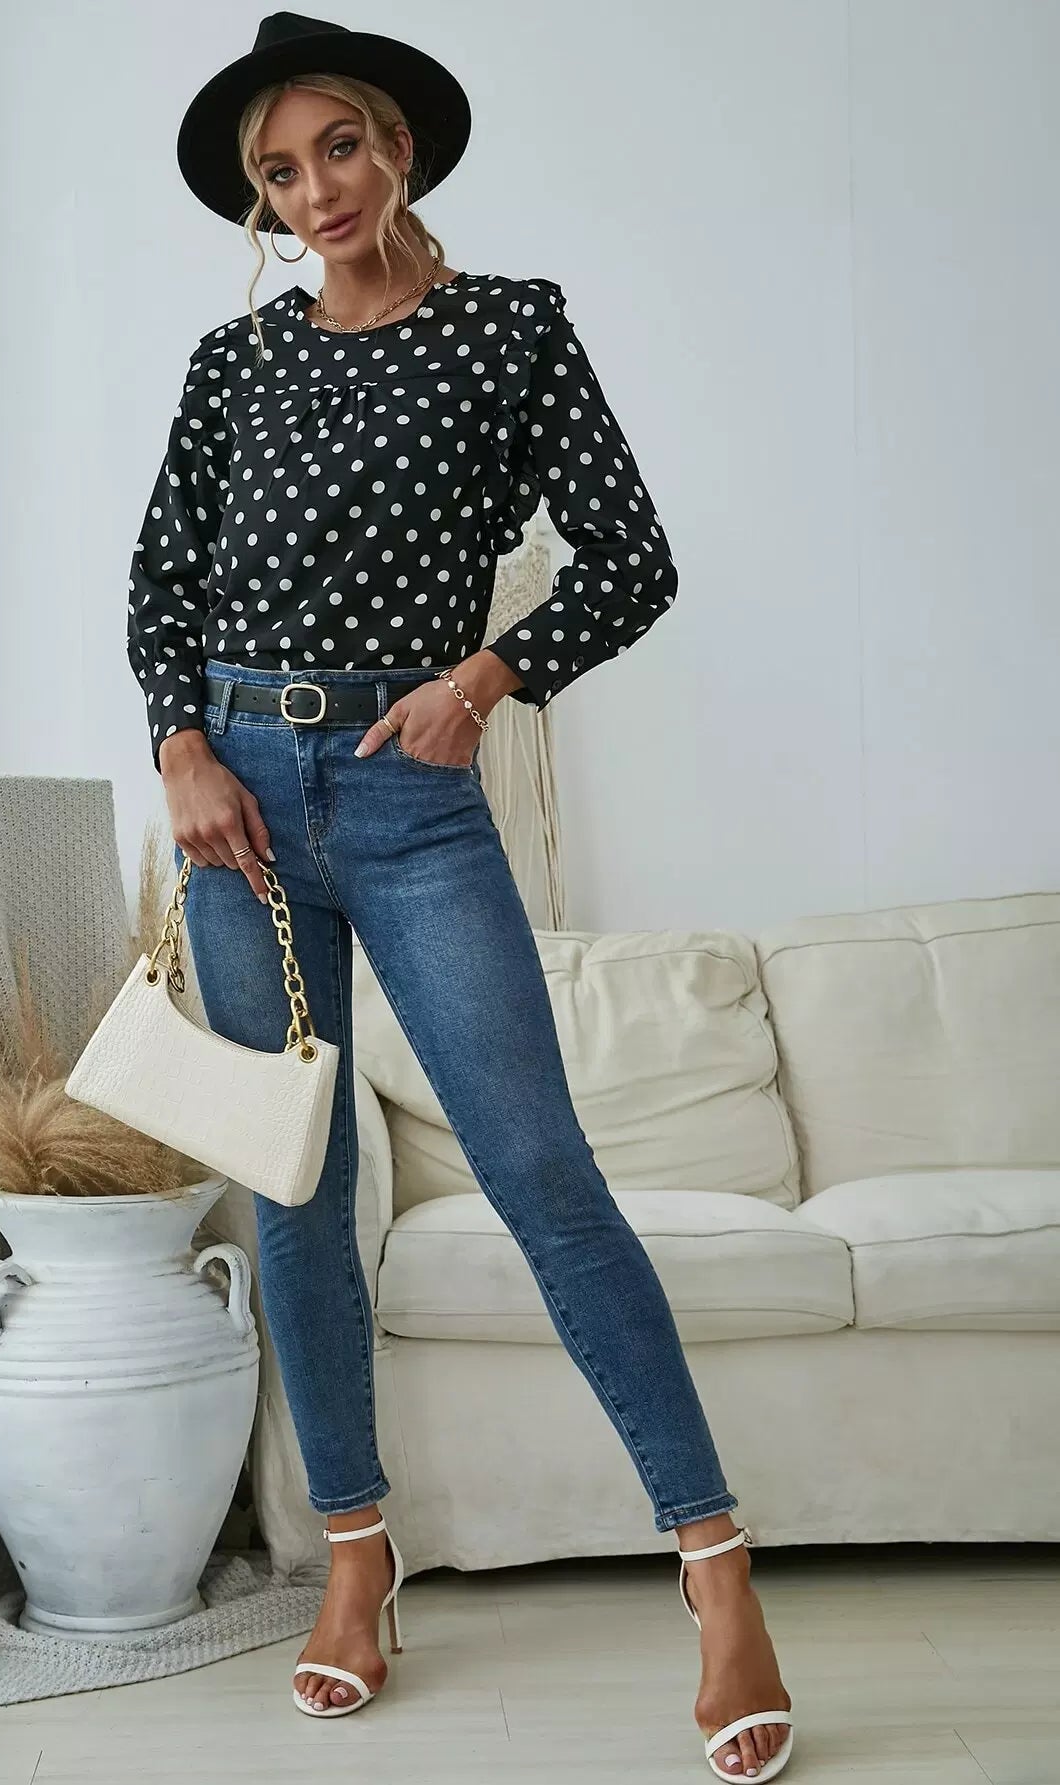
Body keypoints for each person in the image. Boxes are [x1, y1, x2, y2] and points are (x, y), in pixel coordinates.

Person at [131, 12, 794, 1780]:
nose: (316, 192)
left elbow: (633, 557)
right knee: (297, 1190)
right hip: (238, 814)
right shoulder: (234, 363)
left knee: (544, 1177)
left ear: (398, 145)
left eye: (338, 148)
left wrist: (489, 678)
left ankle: (716, 1565)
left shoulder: (511, 327)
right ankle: (357, 1559)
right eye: (281, 173)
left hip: (413, 803)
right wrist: (180, 747)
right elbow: (161, 574)